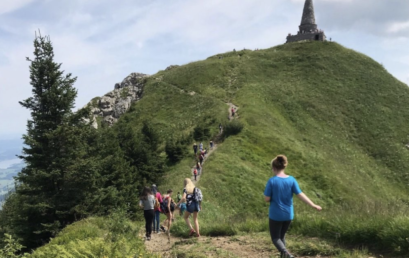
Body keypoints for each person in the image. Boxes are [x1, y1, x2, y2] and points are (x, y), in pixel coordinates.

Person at [264, 155, 322, 258]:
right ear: (284, 167)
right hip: (288, 215)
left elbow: (267, 199)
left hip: (276, 215)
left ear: (274, 168)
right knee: (282, 237)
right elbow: (300, 194)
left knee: (276, 238)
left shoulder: (272, 181)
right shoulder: (291, 180)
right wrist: (313, 204)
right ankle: (284, 255)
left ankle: (286, 254)